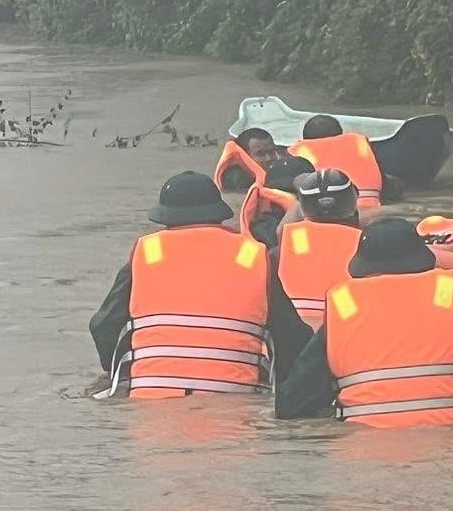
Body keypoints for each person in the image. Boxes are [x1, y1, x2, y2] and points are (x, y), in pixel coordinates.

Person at [276, 217, 453, 426]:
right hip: (449, 451)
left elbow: (290, 406)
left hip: (364, 456)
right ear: (421, 261)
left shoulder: (345, 310)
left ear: (362, 268)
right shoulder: (450, 300)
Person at [90, 171, 313, 399]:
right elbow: (293, 340)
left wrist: (117, 371)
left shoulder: (146, 254)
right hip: (234, 402)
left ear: (165, 217)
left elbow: (104, 325)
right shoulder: (254, 256)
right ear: (218, 214)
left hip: (151, 404)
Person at [275, 169, 362, 328]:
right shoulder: (362, 240)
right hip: (341, 321)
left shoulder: (290, 237)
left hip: (292, 324)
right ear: (352, 200)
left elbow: (281, 230)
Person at [290, 114, 386, 213]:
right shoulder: (358, 143)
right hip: (373, 207)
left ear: (305, 139)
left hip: (330, 213)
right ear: (341, 134)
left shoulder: (298, 150)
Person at [240, 156, 313, 248]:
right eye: (288, 191)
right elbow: (280, 251)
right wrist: (297, 210)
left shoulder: (330, 213)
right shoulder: (264, 227)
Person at [213, 127, 285, 192]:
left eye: (271, 152)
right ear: (245, 155)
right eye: (261, 154)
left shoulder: (281, 162)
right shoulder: (236, 179)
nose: (268, 158)